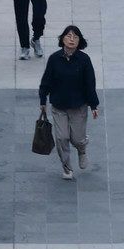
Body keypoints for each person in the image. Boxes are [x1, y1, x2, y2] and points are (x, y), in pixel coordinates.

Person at [38, 24, 99, 180]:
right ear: (62, 39)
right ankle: (67, 167)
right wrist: (43, 99)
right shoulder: (54, 59)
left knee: (77, 138)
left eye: (75, 37)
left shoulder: (84, 60)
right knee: (61, 137)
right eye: (69, 36)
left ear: (80, 41)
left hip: (79, 105)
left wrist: (93, 105)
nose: (72, 40)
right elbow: (46, 81)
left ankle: (82, 150)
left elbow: (90, 83)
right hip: (59, 105)